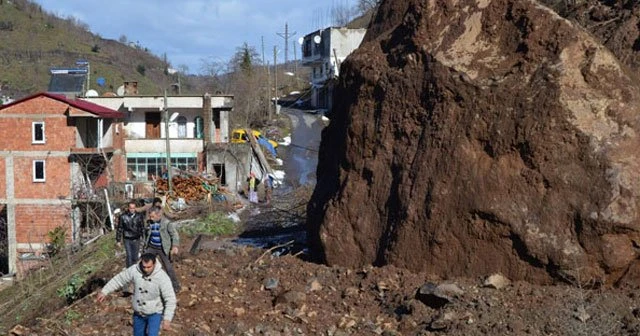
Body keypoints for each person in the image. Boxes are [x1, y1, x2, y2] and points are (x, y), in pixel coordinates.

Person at [96, 253, 176, 336]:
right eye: (144, 267)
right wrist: (104, 291)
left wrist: (167, 318)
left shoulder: (162, 277)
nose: (146, 270)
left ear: (154, 264)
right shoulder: (134, 270)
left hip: (154, 312)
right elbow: (119, 279)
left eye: (149, 267)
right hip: (138, 313)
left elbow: (170, 298)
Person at [143, 206, 180, 292]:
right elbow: (146, 235)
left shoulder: (167, 223)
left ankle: (175, 286)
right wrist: (145, 246)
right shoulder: (149, 223)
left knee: (168, 267)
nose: (151, 218)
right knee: (145, 264)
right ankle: (146, 285)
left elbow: (174, 235)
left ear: (158, 215)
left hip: (163, 248)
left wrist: (175, 246)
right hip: (151, 246)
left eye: (153, 216)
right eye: (150, 216)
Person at [117, 200, 145, 268]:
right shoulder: (123, 216)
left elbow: (142, 228)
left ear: (135, 208)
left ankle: (135, 270)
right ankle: (129, 271)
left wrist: (144, 238)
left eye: (133, 208)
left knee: (135, 257)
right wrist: (118, 240)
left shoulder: (139, 216)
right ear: (128, 208)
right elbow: (119, 228)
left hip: (136, 238)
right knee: (129, 256)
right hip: (127, 238)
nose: (132, 209)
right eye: (131, 208)